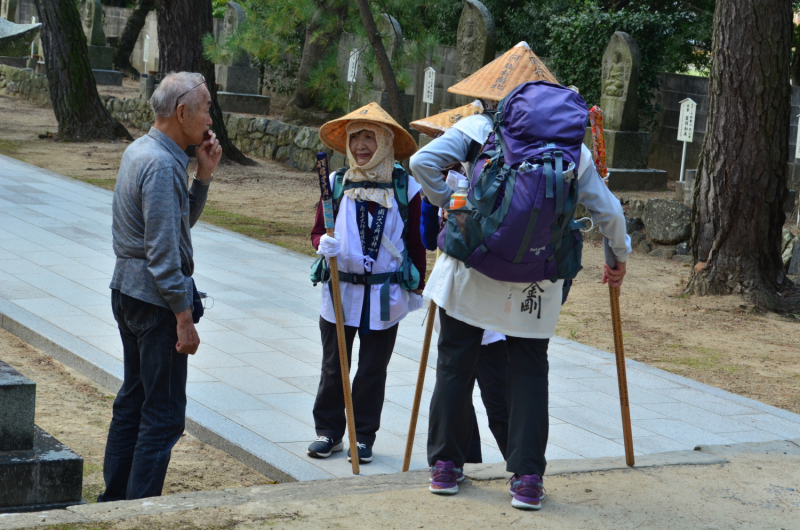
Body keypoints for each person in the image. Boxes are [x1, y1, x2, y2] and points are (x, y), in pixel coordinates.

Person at [410, 42, 631, 511]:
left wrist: (449, 204)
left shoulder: (476, 128)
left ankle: (446, 467)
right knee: (530, 370)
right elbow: (608, 212)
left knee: (455, 362)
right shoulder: (571, 146)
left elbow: (420, 164)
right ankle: (527, 478)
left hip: (473, 266)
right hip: (540, 275)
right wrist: (619, 257)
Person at [99, 72, 221, 502]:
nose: (211, 117)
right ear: (183, 112)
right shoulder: (161, 162)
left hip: (128, 291)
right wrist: (183, 318)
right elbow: (164, 254)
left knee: (134, 400)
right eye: (206, 107)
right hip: (154, 301)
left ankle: (114, 501)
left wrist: (202, 176)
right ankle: (136, 510)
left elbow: (174, 224)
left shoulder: (143, 149)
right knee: (164, 414)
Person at [308, 102, 426, 464]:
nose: (361, 145)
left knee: (373, 368)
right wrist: (320, 245)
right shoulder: (335, 183)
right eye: (355, 137)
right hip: (340, 290)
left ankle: (362, 436)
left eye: (369, 137)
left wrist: (418, 287)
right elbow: (316, 232)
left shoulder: (407, 188)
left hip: (384, 293)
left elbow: (417, 244)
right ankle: (328, 433)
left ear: (386, 142)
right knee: (333, 365)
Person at [411, 104, 509, 463]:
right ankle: (466, 461)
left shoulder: (492, 181)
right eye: (439, 141)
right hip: (455, 294)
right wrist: (436, 203)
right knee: (457, 390)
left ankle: (519, 463)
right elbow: (427, 238)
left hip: (491, 303)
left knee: (499, 393)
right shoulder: (440, 184)